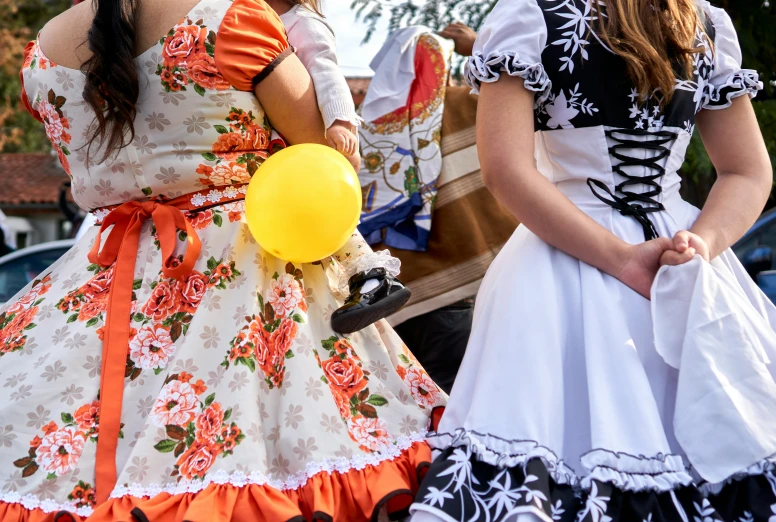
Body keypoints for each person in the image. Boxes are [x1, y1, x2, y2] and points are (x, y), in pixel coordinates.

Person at [0, 0, 445, 519]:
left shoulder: (43, 53)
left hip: (99, 273)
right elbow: (323, 151)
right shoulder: (232, 18)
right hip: (246, 269)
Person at [409, 0, 776, 520]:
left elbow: (506, 170)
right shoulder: (701, 21)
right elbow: (747, 172)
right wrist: (699, 244)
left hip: (568, 255)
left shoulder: (532, 16)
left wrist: (677, 251)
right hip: (677, 254)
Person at [378, 23, 519, 394]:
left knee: (426, 414)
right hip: (471, 293)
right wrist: (476, 48)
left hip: (401, 304)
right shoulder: (472, 106)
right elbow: (540, 99)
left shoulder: (369, 134)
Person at [263, 0, 413, 336]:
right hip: (291, 149)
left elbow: (327, 71)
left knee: (324, 215)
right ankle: (368, 278)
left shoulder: (300, 22)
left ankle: (372, 276)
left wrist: (342, 122)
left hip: (314, 144)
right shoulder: (264, 18)